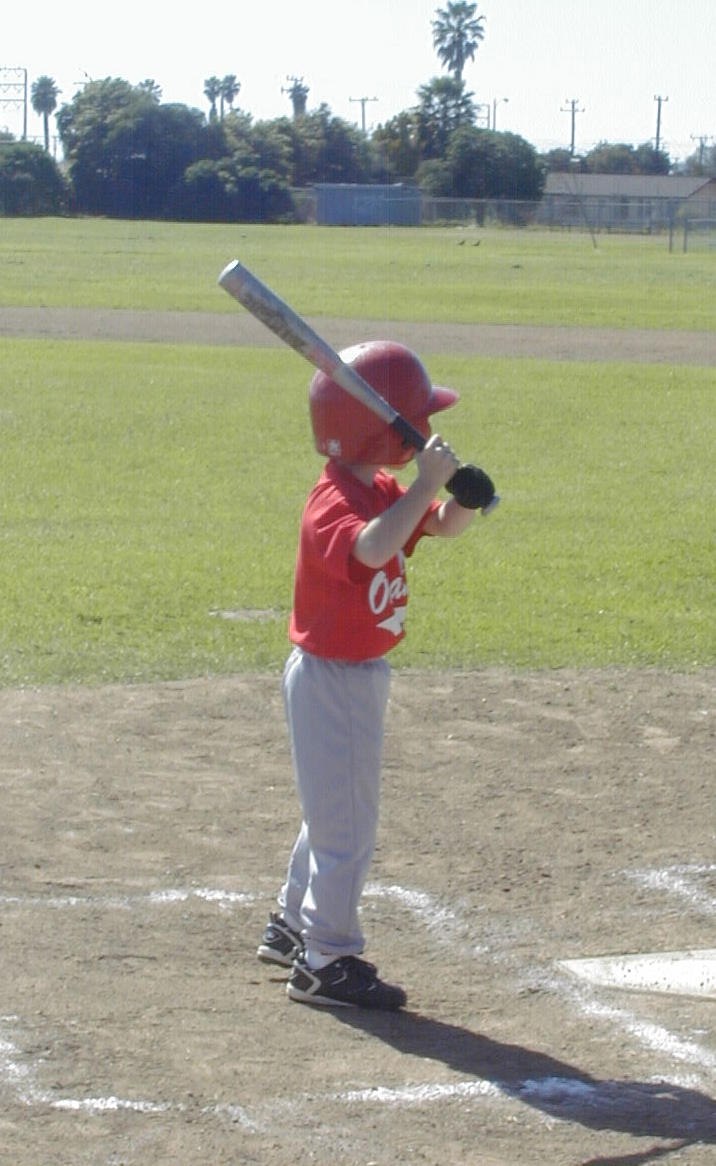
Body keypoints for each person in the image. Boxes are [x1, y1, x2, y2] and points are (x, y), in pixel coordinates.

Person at [256, 341, 493, 1010]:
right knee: (348, 827)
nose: (424, 429)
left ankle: (291, 925)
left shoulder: (378, 487)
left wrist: (463, 500)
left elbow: (435, 526)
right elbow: (370, 547)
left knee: (331, 809)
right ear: (377, 429)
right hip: (335, 677)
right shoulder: (333, 502)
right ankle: (325, 961)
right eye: (415, 420)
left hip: (352, 672)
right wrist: (423, 484)